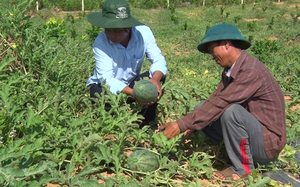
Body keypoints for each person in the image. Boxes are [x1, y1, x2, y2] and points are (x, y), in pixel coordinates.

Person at [159, 23, 286, 181]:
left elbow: (223, 102)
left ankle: (243, 169)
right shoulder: (231, 71)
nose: (212, 57)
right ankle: (233, 154)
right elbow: (215, 100)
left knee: (231, 112)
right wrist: (190, 126)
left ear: (226, 44)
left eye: (212, 51)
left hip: (267, 143)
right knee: (202, 107)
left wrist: (180, 125)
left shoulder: (250, 71)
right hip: (254, 134)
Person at [86, 0, 167, 126]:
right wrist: (133, 93)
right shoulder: (101, 42)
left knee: (159, 76)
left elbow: (158, 60)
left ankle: (144, 121)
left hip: (131, 82)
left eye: (117, 31)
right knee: (100, 95)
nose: (111, 35)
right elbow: (106, 79)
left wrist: (155, 79)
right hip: (105, 87)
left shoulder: (144, 34)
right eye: (108, 30)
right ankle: (113, 120)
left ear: (128, 27)